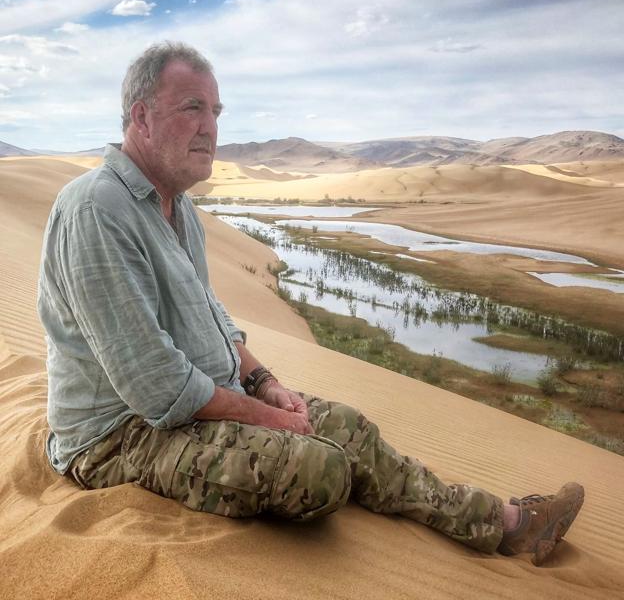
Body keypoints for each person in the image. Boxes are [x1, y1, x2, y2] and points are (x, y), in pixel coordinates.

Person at [37, 41, 583, 567]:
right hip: (119, 435)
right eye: (192, 108)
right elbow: (154, 385)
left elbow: (212, 318)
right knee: (319, 470)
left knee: (347, 426)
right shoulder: (96, 209)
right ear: (141, 117)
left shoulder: (177, 209)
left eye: (217, 111)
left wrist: (266, 384)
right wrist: (268, 418)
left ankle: (506, 525)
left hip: (204, 401)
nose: (211, 127)